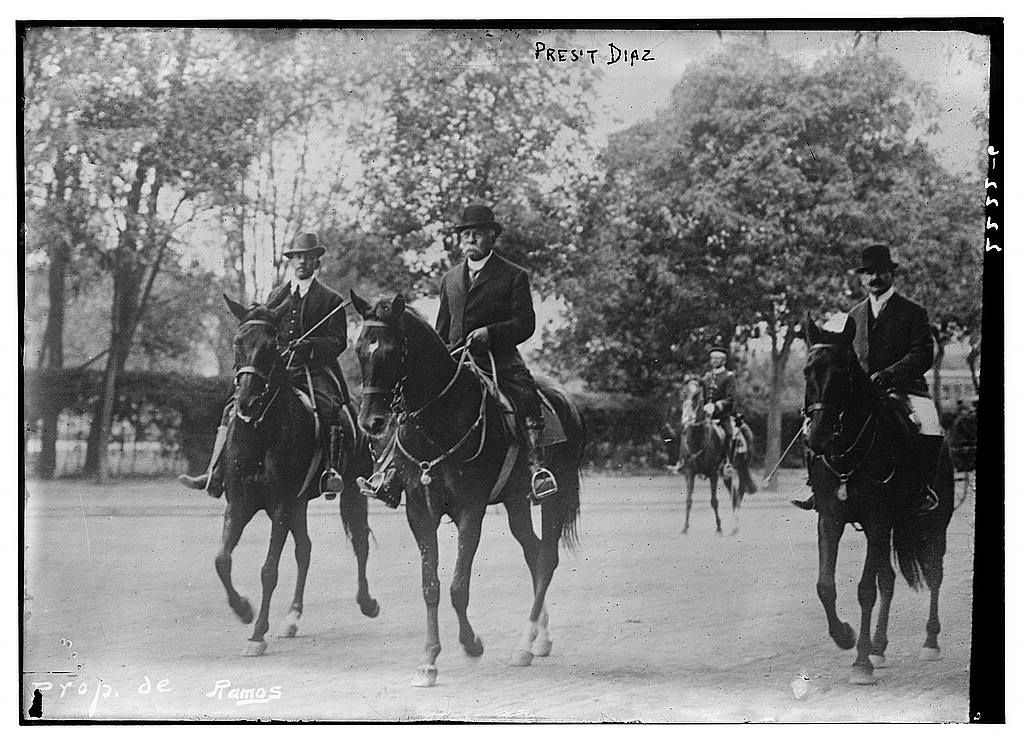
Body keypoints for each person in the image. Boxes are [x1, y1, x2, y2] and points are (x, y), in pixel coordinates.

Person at [361, 204, 556, 506]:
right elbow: (441, 328)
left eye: (478, 234)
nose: (471, 240)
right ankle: (390, 474)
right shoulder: (450, 278)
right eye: (466, 235)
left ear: (492, 237)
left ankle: (535, 469)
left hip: (498, 359)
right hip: (454, 360)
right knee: (408, 403)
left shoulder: (514, 276)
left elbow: (525, 324)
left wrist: (490, 333)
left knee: (525, 396)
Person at [178, 232, 352, 500]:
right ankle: (216, 472)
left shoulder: (331, 299)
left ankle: (330, 473)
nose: (301, 262)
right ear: (291, 262)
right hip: (277, 367)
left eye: (307, 257)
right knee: (233, 406)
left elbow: (339, 341)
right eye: (296, 257)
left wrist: (311, 346)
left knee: (329, 409)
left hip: (314, 369)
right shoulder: (275, 294)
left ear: (316, 262)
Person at [795, 244, 940, 512]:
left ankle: (923, 489)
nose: (874, 278)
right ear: (862, 278)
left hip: (905, 389)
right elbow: (847, 358)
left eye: (881, 272)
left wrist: (889, 373)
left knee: (930, 424)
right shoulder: (854, 315)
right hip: (862, 393)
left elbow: (923, 354)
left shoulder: (913, 311)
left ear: (891, 274)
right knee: (815, 422)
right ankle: (817, 487)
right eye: (869, 273)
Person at [700, 346, 758, 494]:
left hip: (723, 416)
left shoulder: (728, 376)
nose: (714, 361)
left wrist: (717, 406)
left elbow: (731, 399)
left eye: (717, 359)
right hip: (706, 416)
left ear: (723, 360)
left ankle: (727, 464)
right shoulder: (706, 377)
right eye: (712, 358)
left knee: (730, 435)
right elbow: (702, 396)